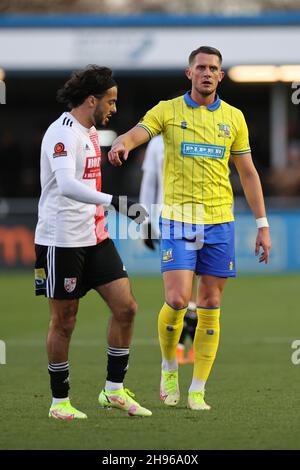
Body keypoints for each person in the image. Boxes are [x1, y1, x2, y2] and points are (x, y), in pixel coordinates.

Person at [108, 46, 272, 411]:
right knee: (179, 299)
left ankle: (197, 388)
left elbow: (248, 173)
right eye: (201, 67)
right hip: (179, 218)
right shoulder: (167, 110)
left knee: (211, 303)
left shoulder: (234, 118)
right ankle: (169, 367)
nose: (207, 73)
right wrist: (122, 142)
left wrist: (262, 225)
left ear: (221, 76)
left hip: (219, 222)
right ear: (189, 73)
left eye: (214, 68)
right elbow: (139, 132)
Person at [34, 65, 151, 420]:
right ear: (91, 100)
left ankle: (113, 391)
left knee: (126, 308)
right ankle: (59, 402)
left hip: (95, 236)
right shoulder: (62, 133)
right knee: (65, 320)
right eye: (110, 102)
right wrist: (114, 201)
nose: (114, 108)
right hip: (61, 239)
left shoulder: (88, 132)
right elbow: (67, 185)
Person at [139, 134, 197, 364]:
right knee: (182, 289)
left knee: (198, 287)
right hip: (171, 218)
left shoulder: (206, 133)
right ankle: (181, 345)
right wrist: (145, 222)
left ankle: (186, 345)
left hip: (206, 217)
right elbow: (149, 183)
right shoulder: (157, 142)